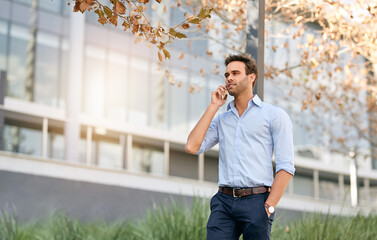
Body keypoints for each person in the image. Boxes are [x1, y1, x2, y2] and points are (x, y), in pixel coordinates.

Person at [185, 54, 295, 240]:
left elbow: (286, 166)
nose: (229, 78)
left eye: (235, 73)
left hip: (257, 201)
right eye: (227, 74)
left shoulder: (274, 115)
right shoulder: (222, 120)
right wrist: (214, 106)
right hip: (224, 202)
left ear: (251, 77)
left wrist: (269, 207)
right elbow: (192, 146)